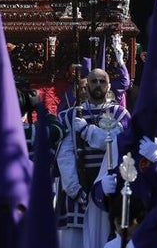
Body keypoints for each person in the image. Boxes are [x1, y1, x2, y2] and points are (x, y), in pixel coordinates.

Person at [56, 67, 131, 248]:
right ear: (86, 85)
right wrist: (74, 188)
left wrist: (86, 130)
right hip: (78, 193)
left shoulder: (120, 114)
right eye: (93, 81)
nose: (98, 85)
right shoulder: (70, 116)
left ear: (109, 85)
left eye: (102, 81)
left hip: (108, 189)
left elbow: (113, 142)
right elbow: (64, 155)